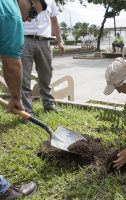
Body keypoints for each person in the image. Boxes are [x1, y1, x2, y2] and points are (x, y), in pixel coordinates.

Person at [0, 0, 47, 199]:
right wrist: (16, 98)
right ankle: (3, 191)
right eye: (33, 13)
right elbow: (11, 64)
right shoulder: (10, 13)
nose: (29, 19)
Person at [21, 0, 65, 117]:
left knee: (46, 75)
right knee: (24, 77)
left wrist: (59, 41)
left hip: (44, 41)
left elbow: (54, 21)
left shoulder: (51, 2)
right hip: (25, 39)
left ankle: (49, 104)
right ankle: (27, 112)